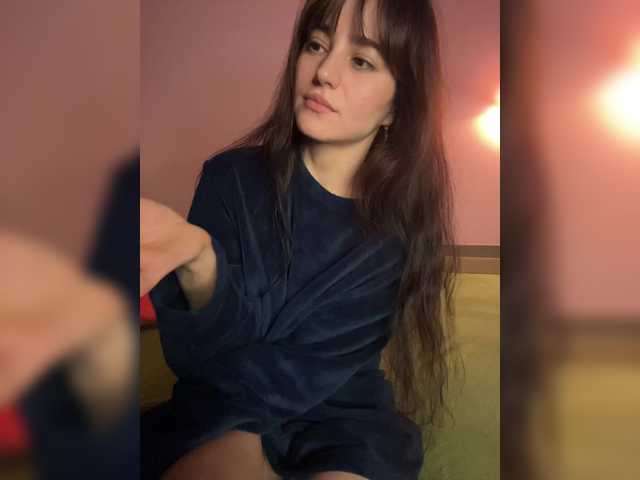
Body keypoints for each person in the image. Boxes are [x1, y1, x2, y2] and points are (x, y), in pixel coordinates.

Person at [141, 0, 458, 478]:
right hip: (225, 408)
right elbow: (192, 361)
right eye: (315, 45)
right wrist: (201, 265)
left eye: (361, 61)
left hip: (341, 414)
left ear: (397, 106)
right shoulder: (230, 178)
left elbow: (303, 369)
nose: (323, 73)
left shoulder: (394, 233)